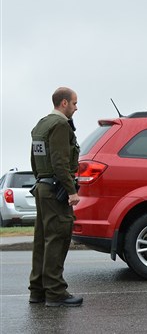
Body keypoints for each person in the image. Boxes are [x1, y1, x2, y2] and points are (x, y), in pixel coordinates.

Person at [28, 87, 83, 307]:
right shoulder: (60, 125)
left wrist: (41, 179)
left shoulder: (41, 124)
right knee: (58, 238)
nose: (76, 107)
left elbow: (35, 158)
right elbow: (60, 162)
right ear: (63, 103)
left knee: (42, 240)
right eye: (74, 103)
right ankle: (55, 292)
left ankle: (37, 290)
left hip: (43, 185)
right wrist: (71, 191)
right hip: (55, 189)